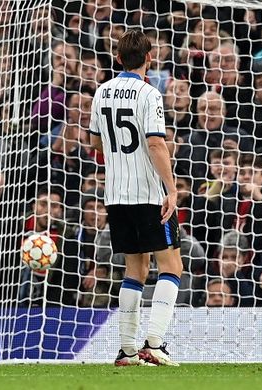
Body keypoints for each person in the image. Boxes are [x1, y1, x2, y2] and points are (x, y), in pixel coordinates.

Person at [88, 30, 181, 367]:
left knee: (134, 269)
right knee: (171, 265)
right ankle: (154, 344)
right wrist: (171, 189)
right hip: (149, 194)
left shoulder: (101, 92)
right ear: (150, 57)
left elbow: (95, 143)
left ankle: (128, 350)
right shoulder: (148, 94)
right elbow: (156, 144)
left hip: (116, 194)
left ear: (117, 58)